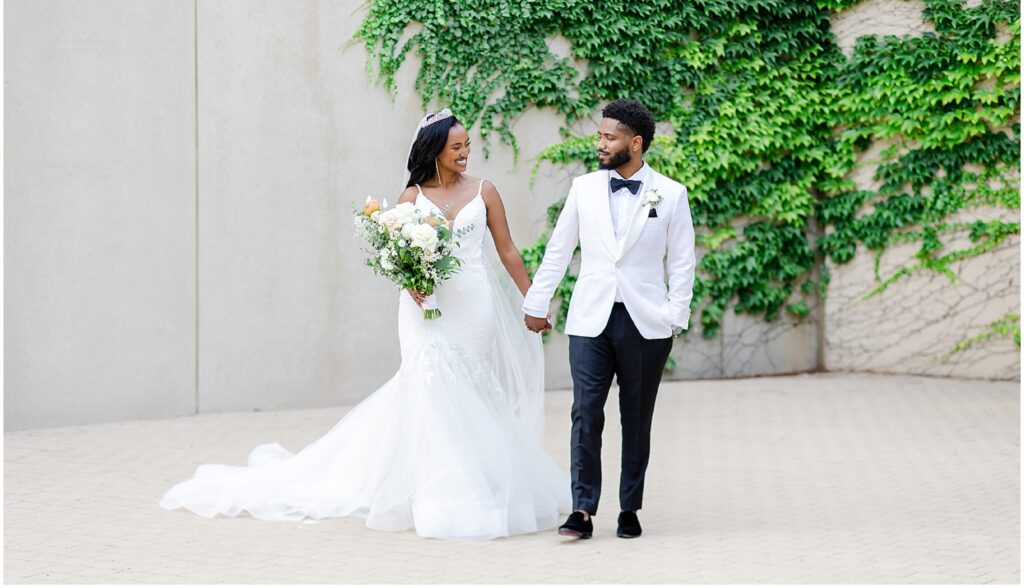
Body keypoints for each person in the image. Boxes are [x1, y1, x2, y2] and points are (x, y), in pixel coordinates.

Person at [160, 109, 571, 540]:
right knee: (429, 386)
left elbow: (506, 250)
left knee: (470, 389)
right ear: (435, 151)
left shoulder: (485, 192)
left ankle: (478, 479)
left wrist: (534, 299)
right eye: (457, 147)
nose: (466, 153)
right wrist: (409, 283)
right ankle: (441, 495)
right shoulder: (410, 198)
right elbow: (397, 255)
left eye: (467, 145)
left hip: (473, 306)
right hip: (423, 309)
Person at [523, 99, 696, 540]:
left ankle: (629, 508)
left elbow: (681, 263)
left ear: (635, 144)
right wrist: (536, 302)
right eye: (599, 135)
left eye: (609, 137)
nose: (600, 143)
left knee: (636, 417)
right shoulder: (583, 189)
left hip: (646, 322)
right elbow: (559, 250)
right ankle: (582, 509)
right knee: (585, 413)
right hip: (590, 319)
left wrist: (675, 317)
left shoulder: (671, 194)